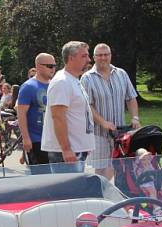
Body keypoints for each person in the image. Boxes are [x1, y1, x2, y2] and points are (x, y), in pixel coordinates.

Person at [81, 43, 140, 179]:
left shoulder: (121, 74)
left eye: (106, 55)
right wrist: (103, 122)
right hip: (98, 133)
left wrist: (135, 118)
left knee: (117, 166)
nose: (103, 58)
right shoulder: (87, 78)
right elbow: (88, 105)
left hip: (120, 132)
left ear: (111, 56)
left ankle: (109, 193)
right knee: (101, 169)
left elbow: (131, 98)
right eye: (99, 55)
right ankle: (100, 195)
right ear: (94, 57)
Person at [41, 41, 95, 173]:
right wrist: (66, 149)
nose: (89, 60)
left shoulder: (73, 80)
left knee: (75, 191)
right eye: (84, 56)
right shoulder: (62, 82)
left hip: (76, 149)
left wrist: (84, 143)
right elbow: (58, 117)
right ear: (71, 58)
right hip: (66, 153)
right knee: (68, 192)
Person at [17, 53, 55, 173]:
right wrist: (26, 138)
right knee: (41, 176)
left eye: (54, 65)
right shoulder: (28, 86)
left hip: (53, 138)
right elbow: (21, 113)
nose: (53, 69)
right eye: (49, 66)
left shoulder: (55, 84)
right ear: (38, 66)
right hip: (36, 139)